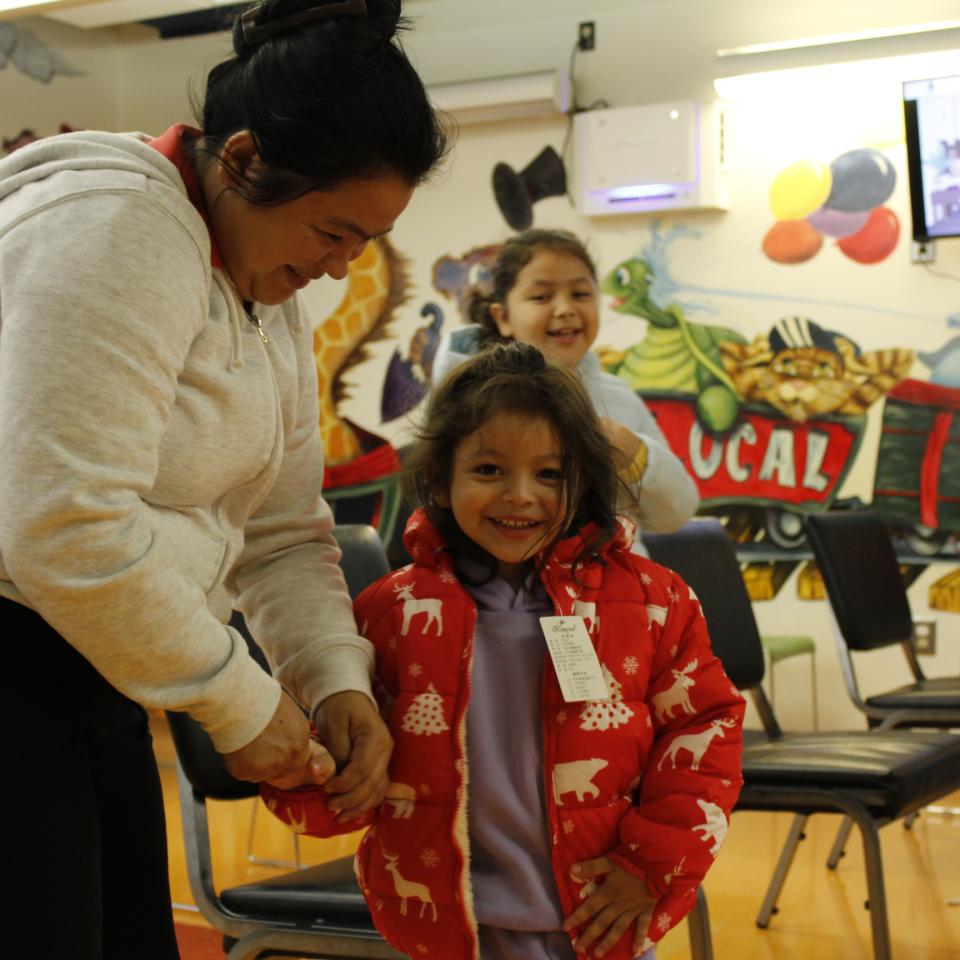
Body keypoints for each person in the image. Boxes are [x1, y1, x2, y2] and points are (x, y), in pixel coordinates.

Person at [0, 1, 447, 957]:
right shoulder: (115, 229)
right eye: (332, 233)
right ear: (242, 159)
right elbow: (59, 524)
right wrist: (241, 703)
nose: (338, 270)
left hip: (86, 671)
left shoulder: (254, 271)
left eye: (362, 246)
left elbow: (283, 529)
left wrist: (336, 684)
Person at [263, 343, 744, 960]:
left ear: (585, 479)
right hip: (455, 925)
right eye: (490, 470)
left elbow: (706, 726)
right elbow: (343, 751)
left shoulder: (654, 601)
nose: (522, 496)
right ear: (440, 476)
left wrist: (653, 863)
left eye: (550, 474)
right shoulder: (390, 612)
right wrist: (305, 773)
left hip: (601, 914)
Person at [430, 228, 700, 554]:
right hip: (494, 590)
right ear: (502, 317)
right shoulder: (467, 402)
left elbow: (677, 512)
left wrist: (636, 456)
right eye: (541, 297)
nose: (565, 309)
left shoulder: (620, 399)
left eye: (581, 294)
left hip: (616, 593)